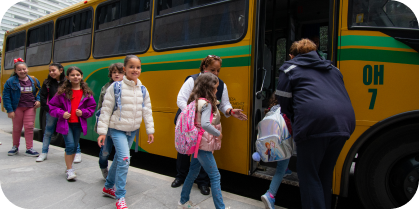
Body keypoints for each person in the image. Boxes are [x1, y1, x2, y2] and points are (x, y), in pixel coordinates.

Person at [276, 39, 355, 209]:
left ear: (292, 55)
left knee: (309, 176)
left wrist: (293, 119)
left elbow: (284, 102)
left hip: (313, 123)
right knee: (324, 174)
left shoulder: (289, 68)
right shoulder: (333, 69)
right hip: (344, 124)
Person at [172, 55, 247, 195]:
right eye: (212, 70)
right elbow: (181, 99)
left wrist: (230, 111)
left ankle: (202, 182)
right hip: (189, 123)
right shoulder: (192, 80)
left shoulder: (220, 84)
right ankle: (180, 176)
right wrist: (193, 115)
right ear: (204, 67)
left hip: (205, 125)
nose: (216, 73)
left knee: (204, 151)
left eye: (218, 70)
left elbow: (224, 104)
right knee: (185, 150)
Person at [97, 55, 155, 209]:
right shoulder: (115, 87)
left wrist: (150, 129)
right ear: (124, 69)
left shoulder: (143, 89)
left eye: (138, 67)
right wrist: (102, 132)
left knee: (119, 158)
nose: (135, 70)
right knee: (124, 159)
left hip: (132, 130)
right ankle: (120, 195)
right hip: (117, 129)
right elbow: (106, 110)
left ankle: (108, 186)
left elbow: (147, 111)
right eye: (131, 67)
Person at [178, 72, 229, 209]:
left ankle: (183, 202)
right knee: (215, 176)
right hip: (203, 145)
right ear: (209, 88)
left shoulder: (195, 101)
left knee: (192, 172)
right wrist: (218, 134)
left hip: (197, 144)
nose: (217, 91)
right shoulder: (206, 104)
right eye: (215, 88)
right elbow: (206, 124)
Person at [49, 66, 97, 180]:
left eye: (78, 75)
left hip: (78, 124)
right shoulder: (62, 92)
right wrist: (62, 113)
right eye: (72, 75)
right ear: (67, 77)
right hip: (66, 124)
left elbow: (92, 108)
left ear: (81, 76)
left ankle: (69, 168)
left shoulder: (86, 93)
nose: (75, 77)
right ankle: (70, 170)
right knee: (70, 145)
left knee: (74, 146)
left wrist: (83, 112)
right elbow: (52, 106)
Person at [36, 63, 82, 162]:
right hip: (52, 111)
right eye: (50, 71)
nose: (51, 73)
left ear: (61, 70)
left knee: (73, 132)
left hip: (66, 113)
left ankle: (77, 152)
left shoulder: (68, 83)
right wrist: (49, 109)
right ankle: (44, 152)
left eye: (53, 70)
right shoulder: (47, 83)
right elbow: (43, 97)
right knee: (48, 131)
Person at [3, 58, 41, 156]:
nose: (22, 71)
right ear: (15, 71)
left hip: (30, 107)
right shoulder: (10, 82)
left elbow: (40, 91)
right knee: (16, 128)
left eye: (24, 69)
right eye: (19, 69)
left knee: (29, 127)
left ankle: (29, 148)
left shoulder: (33, 80)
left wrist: (38, 100)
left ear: (27, 69)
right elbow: (6, 96)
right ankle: (15, 147)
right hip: (17, 108)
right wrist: (9, 110)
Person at [260, 93, 292, 209]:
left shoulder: (271, 111)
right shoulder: (284, 111)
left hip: (273, 144)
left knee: (283, 163)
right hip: (284, 144)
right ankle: (270, 194)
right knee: (280, 171)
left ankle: (286, 169)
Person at [95, 63, 124, 179]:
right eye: (114, 72)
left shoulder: (128, 87)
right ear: (110, 74)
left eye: (120, 72)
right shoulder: (106, 87)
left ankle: (118, 174)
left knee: (121, 153)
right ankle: (103, 168)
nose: (117, 74)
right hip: (107, 126)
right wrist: (100, 125)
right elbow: (100, 107)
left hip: (121, 126)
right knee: (105, 151)